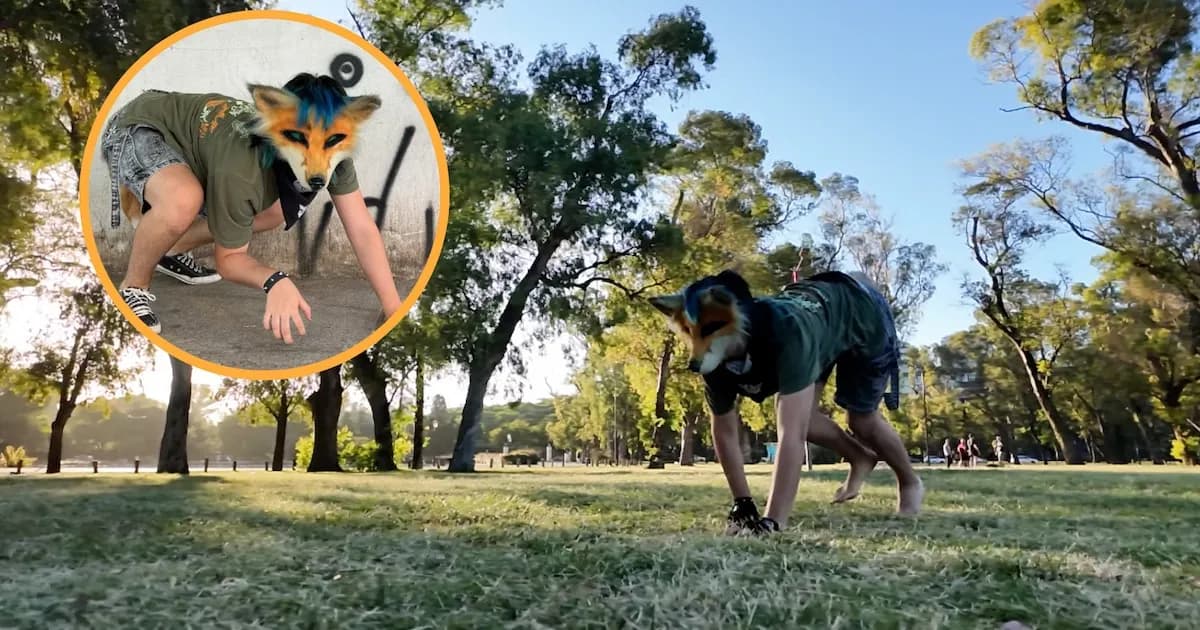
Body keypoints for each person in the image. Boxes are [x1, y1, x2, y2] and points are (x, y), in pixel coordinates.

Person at [99, 72, 403, 341]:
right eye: (301, 138)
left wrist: (393, 309)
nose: (318, 163)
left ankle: (168, 250)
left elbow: (362, 228)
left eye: (332, 140)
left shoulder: (339, 156)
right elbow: (229, 260)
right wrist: (274, 280)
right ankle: (133, 286)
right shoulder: (242, 167)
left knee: (274, 212)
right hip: (139, 127)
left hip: (193, 146)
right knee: (183, 199)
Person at [648, 269, 924, 536]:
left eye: (708, 332)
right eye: (689, 332)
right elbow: (725, 431)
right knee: (808, 422)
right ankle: (859, 457)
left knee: (861, 421)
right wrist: (743, 503)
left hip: (860, 312)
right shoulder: (715, 365)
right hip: (821, 321)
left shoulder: (788, 335)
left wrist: (772, 522)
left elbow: (789, 435)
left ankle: (910, 482)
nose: (698, 349)